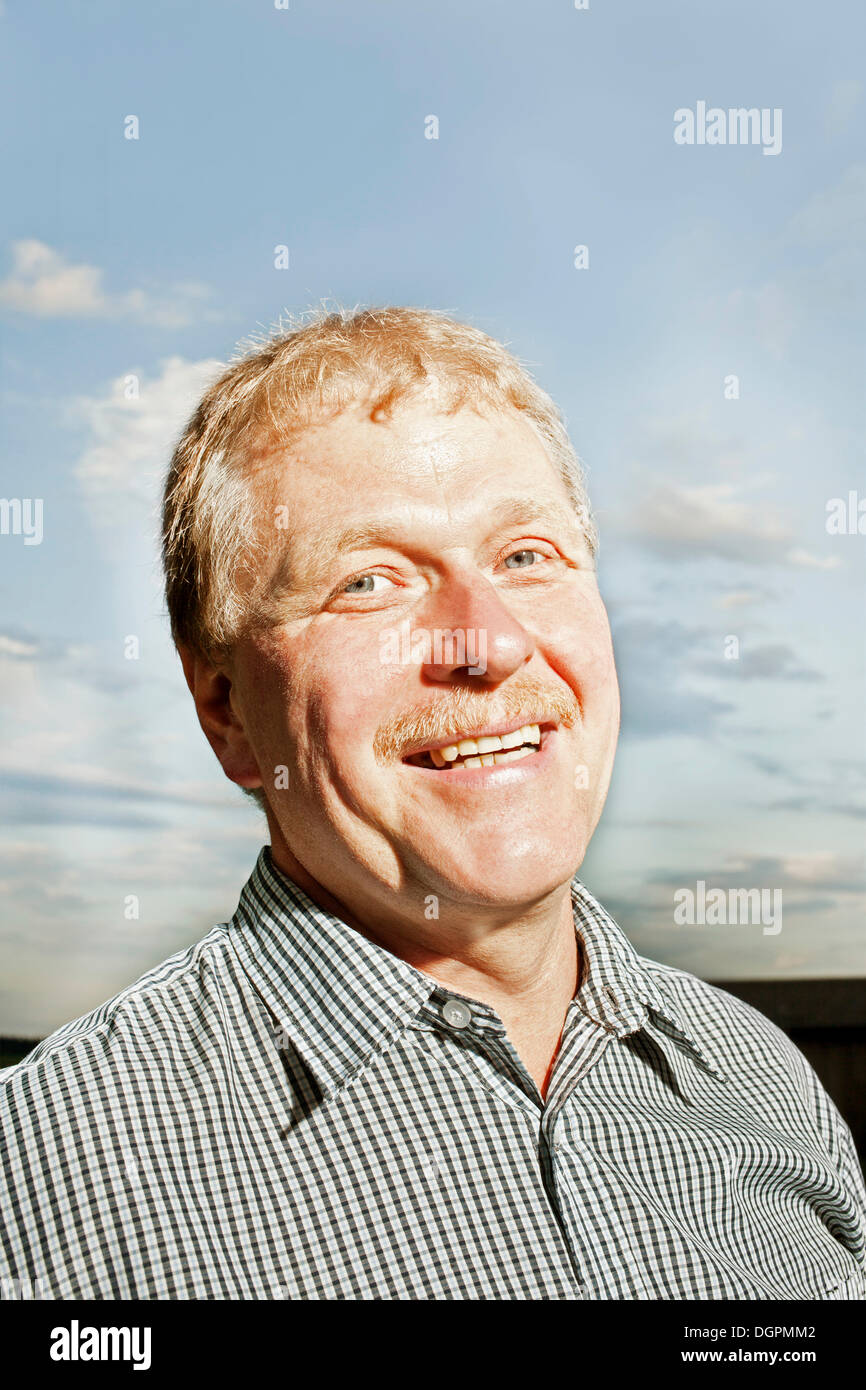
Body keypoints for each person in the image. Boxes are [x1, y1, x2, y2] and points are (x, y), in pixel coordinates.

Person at [1, 306, 864, 1301]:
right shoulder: (48, 1182)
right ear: (224, 710)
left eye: (524, 557)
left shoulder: (761, 1083)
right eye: (368, 581)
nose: (486, 642)